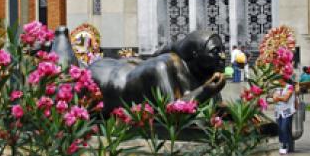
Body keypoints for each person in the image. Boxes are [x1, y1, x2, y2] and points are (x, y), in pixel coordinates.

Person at [89, 30, 226, 116]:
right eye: (215, 51)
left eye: (222, 50)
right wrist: (206, 91)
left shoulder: (205, 73)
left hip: (128, 67)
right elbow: (170, 114)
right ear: (195, 54)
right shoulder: (161, 67)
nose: (223, 56)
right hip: (102, 78)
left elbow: (215, 110)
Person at [272, 78, 296, 155]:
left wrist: (278, 97)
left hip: (287, 111)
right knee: (279, 128)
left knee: (284, 128)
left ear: (282, 79)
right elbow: (274, 98)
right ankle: (284, 144)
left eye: (278, 79)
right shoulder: (277, 88)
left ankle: (285, 146)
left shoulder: (290, 87)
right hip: (278, 111)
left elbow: (286, 98)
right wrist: (280, 98)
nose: (276, 81)